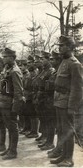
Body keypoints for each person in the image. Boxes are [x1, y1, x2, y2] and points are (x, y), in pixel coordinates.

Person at [51, 35, 83, 167]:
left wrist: (72, 107)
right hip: (59, 101)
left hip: (66, 103)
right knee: (60, 129)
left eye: (62, 46)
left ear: (70, 47)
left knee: (67, 131)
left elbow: (78, 88)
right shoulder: (63, 62)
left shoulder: (75, 64)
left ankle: (69, 159)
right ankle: (63, 155)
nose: (60, 48)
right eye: (59, 46)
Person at [0, 48, 24, 160]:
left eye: (5, 57)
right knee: (9, 127)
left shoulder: (15, 71)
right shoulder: (7, 69)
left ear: (12, 58)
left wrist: (15, 108)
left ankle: (13, 151)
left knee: (13, 128)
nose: (3, 59)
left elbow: (18, 92)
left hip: (10, 104)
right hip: (4, 103)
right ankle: (9, 149)